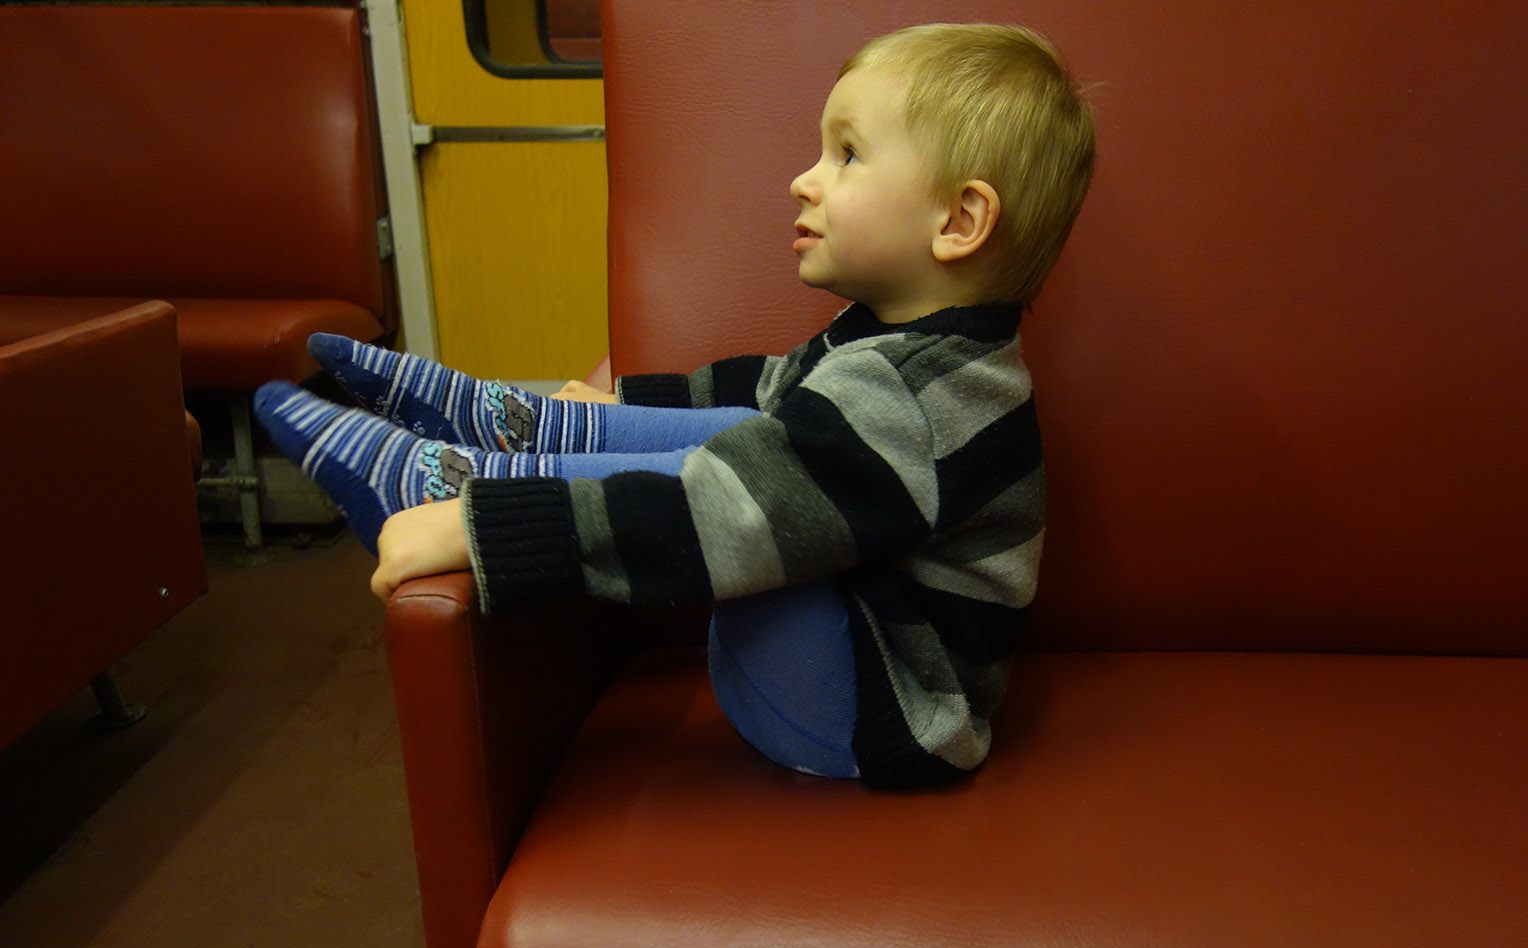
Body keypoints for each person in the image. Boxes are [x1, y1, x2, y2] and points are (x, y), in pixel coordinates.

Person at [253, 22, 1096, 787]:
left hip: (875, 721)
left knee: (756, 470)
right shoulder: (895, 344)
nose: (803, 180)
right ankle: (517, 424)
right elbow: (763, 389)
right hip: (824, 666)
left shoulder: (923, 399)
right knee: (762, 430)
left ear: (959, 219)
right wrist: (606, 407)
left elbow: (737, 510)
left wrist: (486, 534)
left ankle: (466, 486)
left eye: (846, 155)